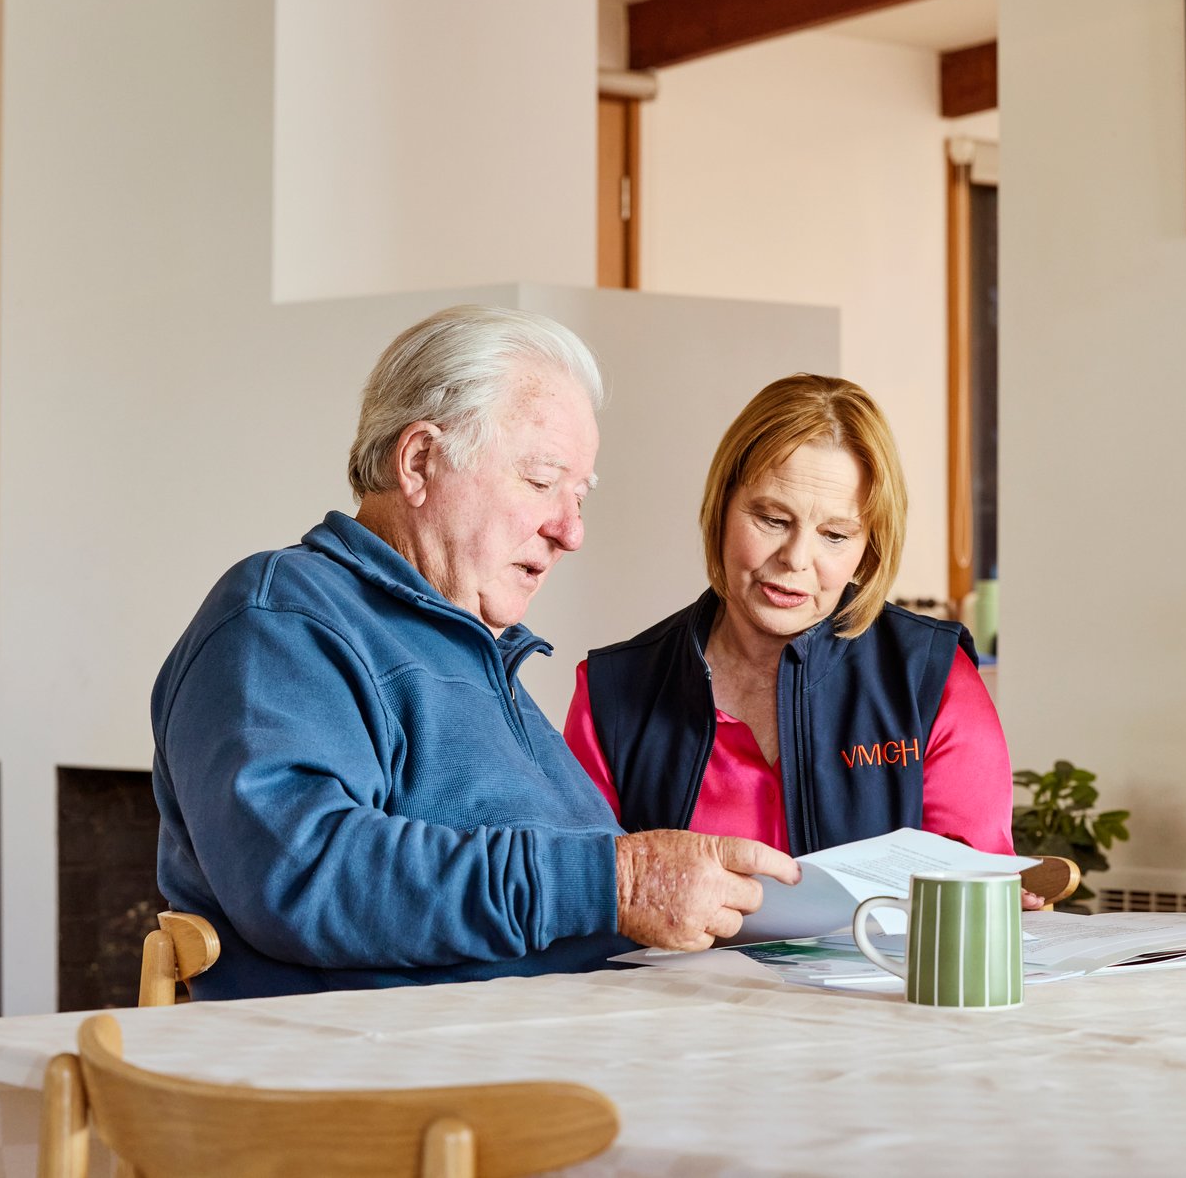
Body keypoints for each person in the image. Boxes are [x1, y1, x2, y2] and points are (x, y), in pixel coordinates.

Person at [151, 305, 799, 998]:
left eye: (580, 495)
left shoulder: (477, 650)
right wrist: (621, 881)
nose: (571, 531)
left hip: (549, 1052)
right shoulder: (280, 621)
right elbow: (306, 873)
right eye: (543, 482)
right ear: (421, 461)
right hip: (399, 1081)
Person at [565, 374, 1032, 888]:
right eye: (771, 519)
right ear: (722, 508)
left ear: (868, 547)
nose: (795, 559)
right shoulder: (613, 689)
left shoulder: (932, 677)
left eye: (834, 534)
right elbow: (585, 891)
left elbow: (969, 903)